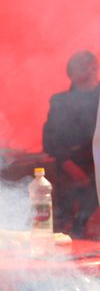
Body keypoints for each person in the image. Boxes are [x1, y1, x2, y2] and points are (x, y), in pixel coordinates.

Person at [44, 50, 99, 236]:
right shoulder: (60, 101)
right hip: (71, 170)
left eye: (91, 65)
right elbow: (50, 141)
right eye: (81, 66)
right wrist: (70, 166)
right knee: (70, 228)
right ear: (71, 74)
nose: (89, 69)